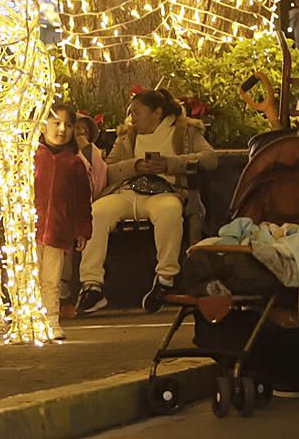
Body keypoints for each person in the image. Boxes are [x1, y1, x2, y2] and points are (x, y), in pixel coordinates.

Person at [76, 87, 217, 314]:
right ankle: (92, 285)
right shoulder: (127, 137)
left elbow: (210, 159)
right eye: (131, 113)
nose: (132, 118)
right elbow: (108, 170)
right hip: (128, 192)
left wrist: (169, 164)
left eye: (137, 112)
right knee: (97, 212)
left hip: (164, 191)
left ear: (157, 112)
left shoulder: (184, 131)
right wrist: (135, 166)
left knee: (170, 211)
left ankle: (165, 279)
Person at [34, 100, 92, 339]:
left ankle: (51, 320)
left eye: (68, 125)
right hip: (31, 229)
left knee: (51, 278)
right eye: (56, 123)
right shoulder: (30, 157)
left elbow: (82, 201)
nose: (61, 129)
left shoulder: (74, 164)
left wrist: (82, 229)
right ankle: (32, 319)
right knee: (31, 275)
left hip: (58, 232)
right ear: (42, 125)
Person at [74, 112, 108, 200]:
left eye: (86, 130)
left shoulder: (94, 153)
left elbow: (100, 184)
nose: (82, 132)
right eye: (77, 128)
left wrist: (87, 150)